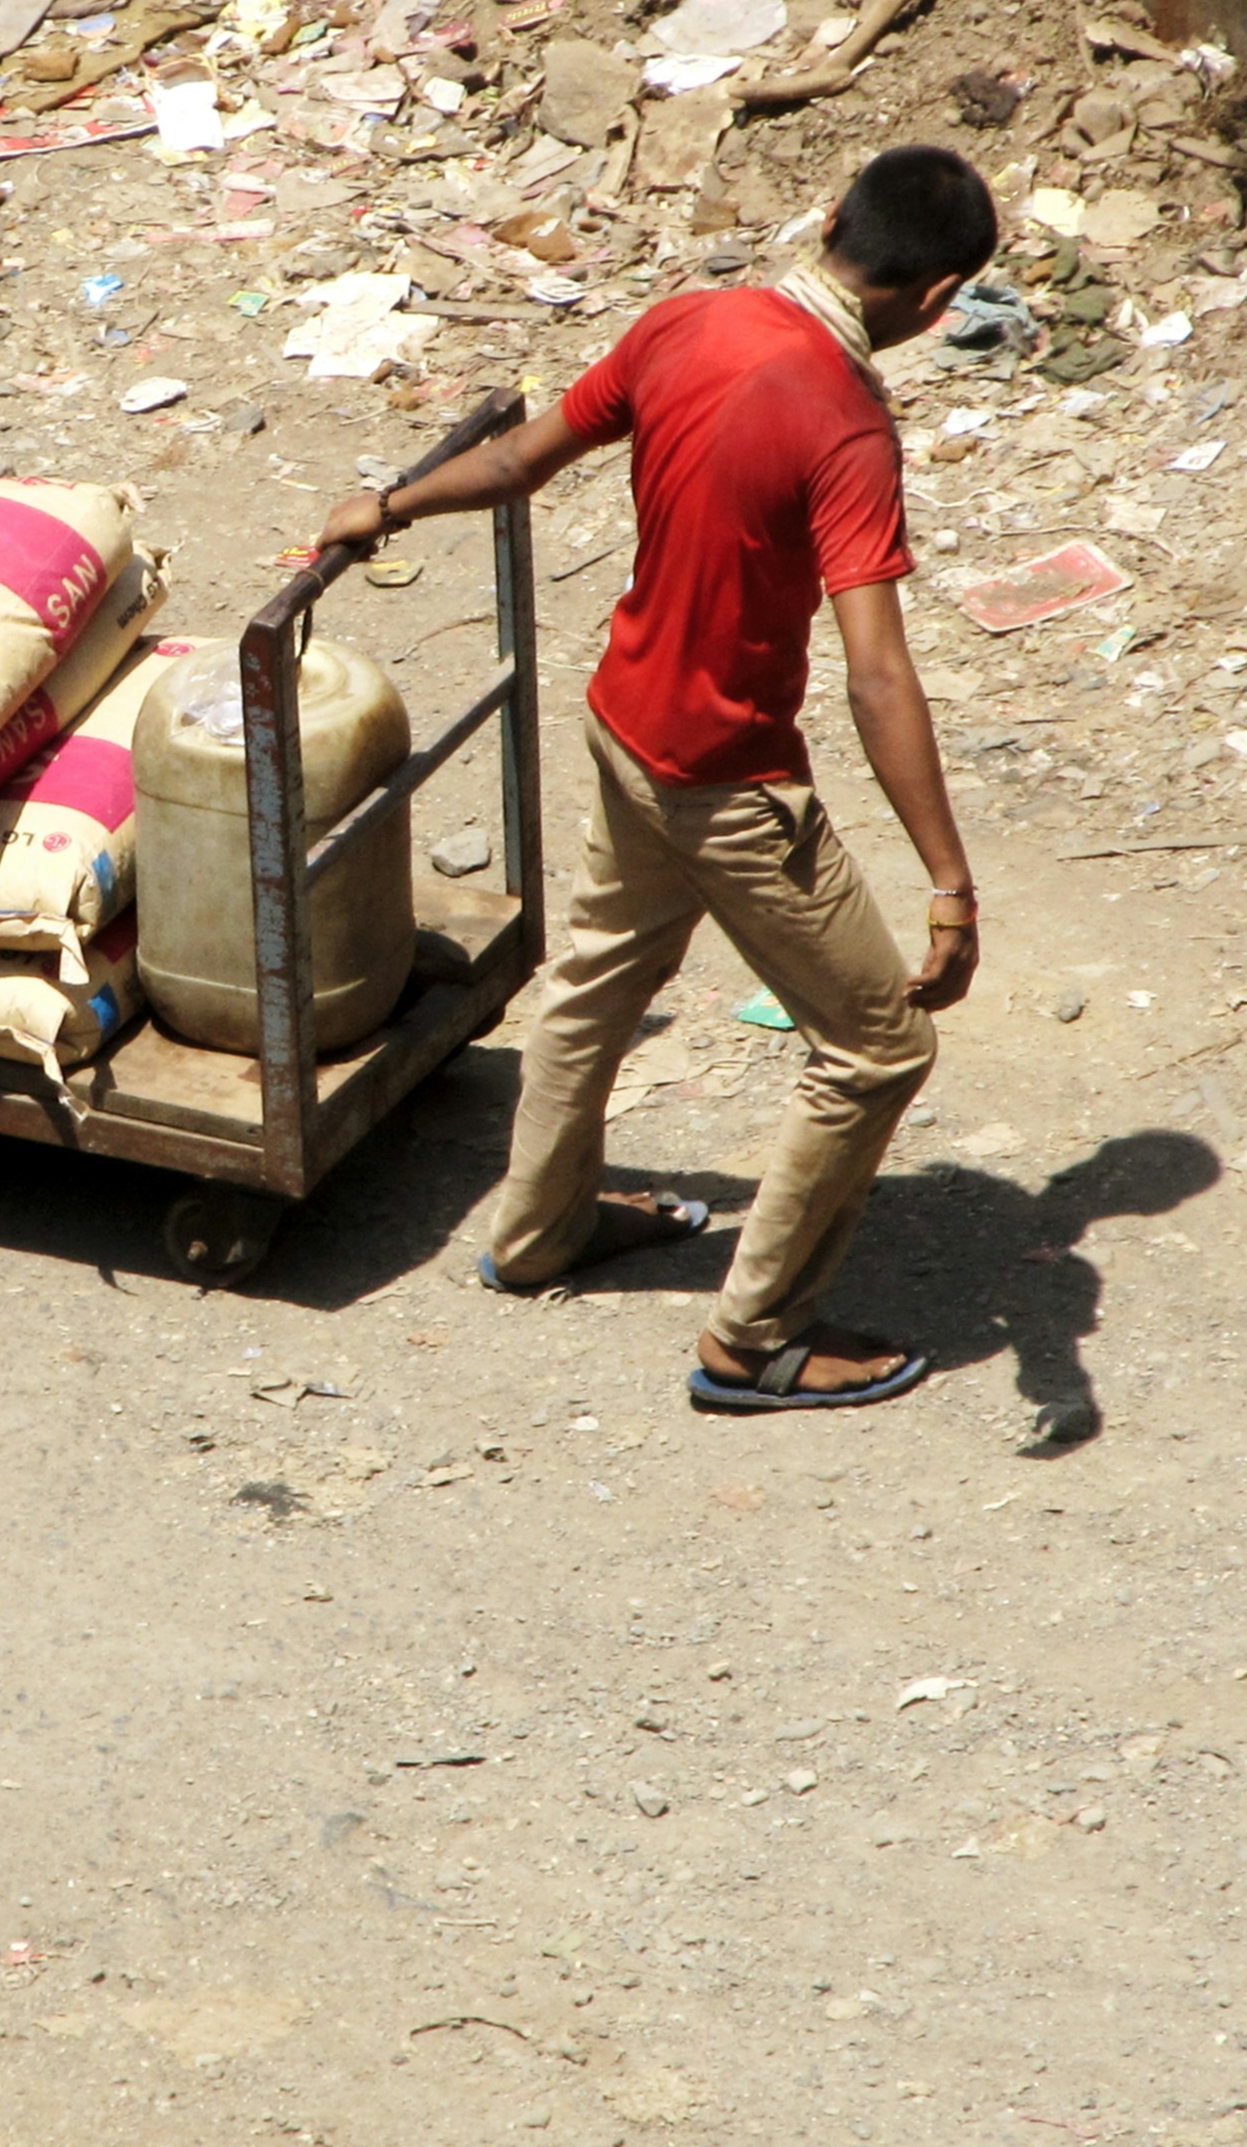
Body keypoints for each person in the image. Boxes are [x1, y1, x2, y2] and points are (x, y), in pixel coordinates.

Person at [314, 145, 997, 1411]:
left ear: (831, 213)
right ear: (938, 296)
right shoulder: (846, 425)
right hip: (726, 779)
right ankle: (757, 1339)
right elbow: (878, 677)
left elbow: (519, 462)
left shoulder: (689, 319)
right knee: (877, 1050)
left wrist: (388, 504)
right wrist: (949, 883)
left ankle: (540, 1232)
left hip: (623, 727)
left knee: (598, 978)